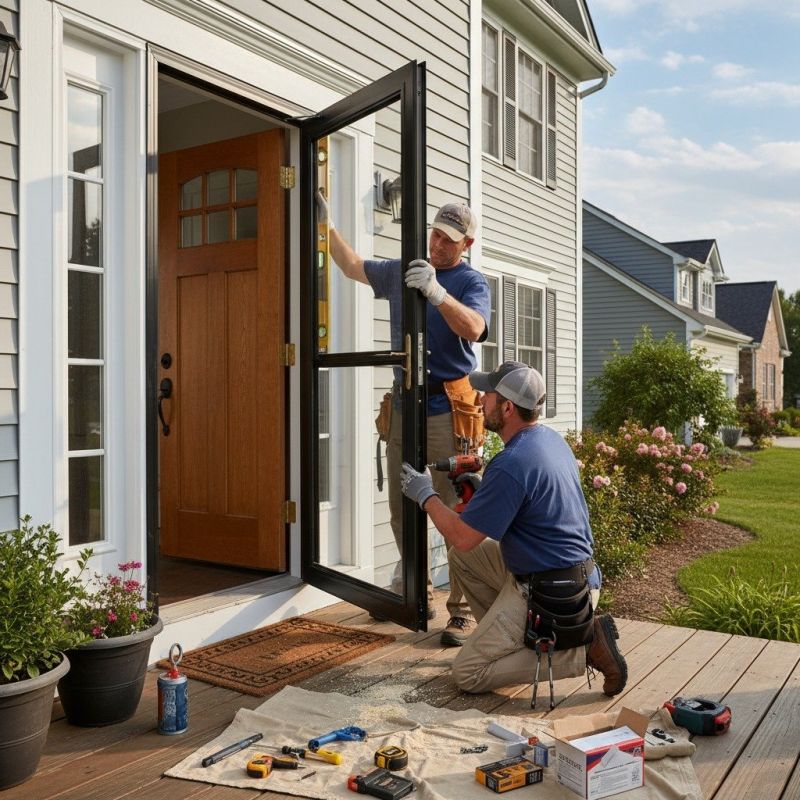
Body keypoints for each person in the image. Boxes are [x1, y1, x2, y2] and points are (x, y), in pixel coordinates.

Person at [317, 191, 491, 645]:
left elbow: (474, 328)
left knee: (455, 508)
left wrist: (435, 292)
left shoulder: (471, 282)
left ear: (466, 244)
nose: (438, 243)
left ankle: (462, 611)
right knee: (401, 509)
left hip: (449, 409)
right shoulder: (401, 271)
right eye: (435, 233)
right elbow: (353, 266)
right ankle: (418, 596)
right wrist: (326, 226)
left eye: (449, 240)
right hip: (405, 403)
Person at [399, 361, 628, 698]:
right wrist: (483, 496)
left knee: (468, 673)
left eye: (487, 395)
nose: (479, 401)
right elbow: (514, 516)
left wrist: (426, 496)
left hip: (553, 593)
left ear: (507, 407)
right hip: (575, 576)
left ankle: (581, 650)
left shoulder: (512, 463)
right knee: (467, 559)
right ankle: (518, 643)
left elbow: (463, 536)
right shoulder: (548, 440)